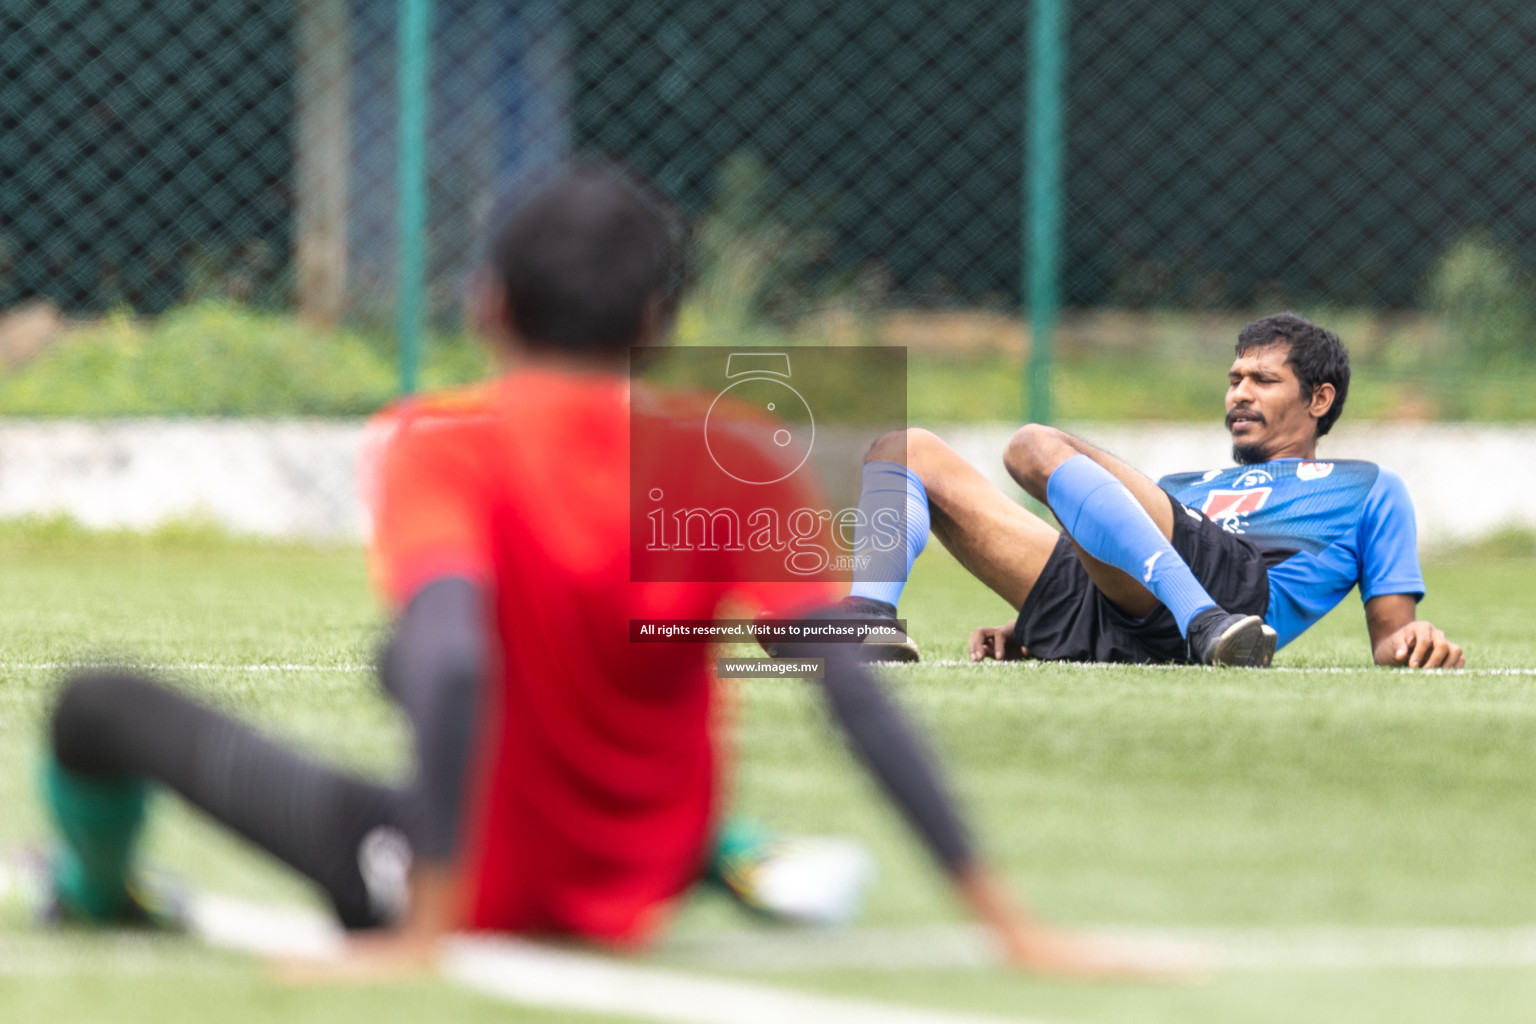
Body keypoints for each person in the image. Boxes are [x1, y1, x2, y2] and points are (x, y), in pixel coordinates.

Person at [34, 167, 1166, 979]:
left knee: (99, 705)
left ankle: (102, 891)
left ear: (488, 305)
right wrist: (1008, 923)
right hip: (650, 865)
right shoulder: (734, 451)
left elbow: (452, 660)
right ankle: (722, 850)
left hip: (484, 882)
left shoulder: (442, 442)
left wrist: (426, 927)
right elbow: (851, 679)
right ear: (661, 321)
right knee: (438, 656)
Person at [844, 312, 1464, 670]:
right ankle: (868, 618)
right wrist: (1026, 625)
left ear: (1319, 399)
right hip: (1117, 605)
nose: (1239, 393)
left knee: (1031, 446)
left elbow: (1390, 634)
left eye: (1262, 380)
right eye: (1234, 379)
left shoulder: (1368, 487)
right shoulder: (1186, 487)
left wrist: (1413, 641)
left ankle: (1208, 622)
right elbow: (1117, 563)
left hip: (1238, 593)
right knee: (905, 447)